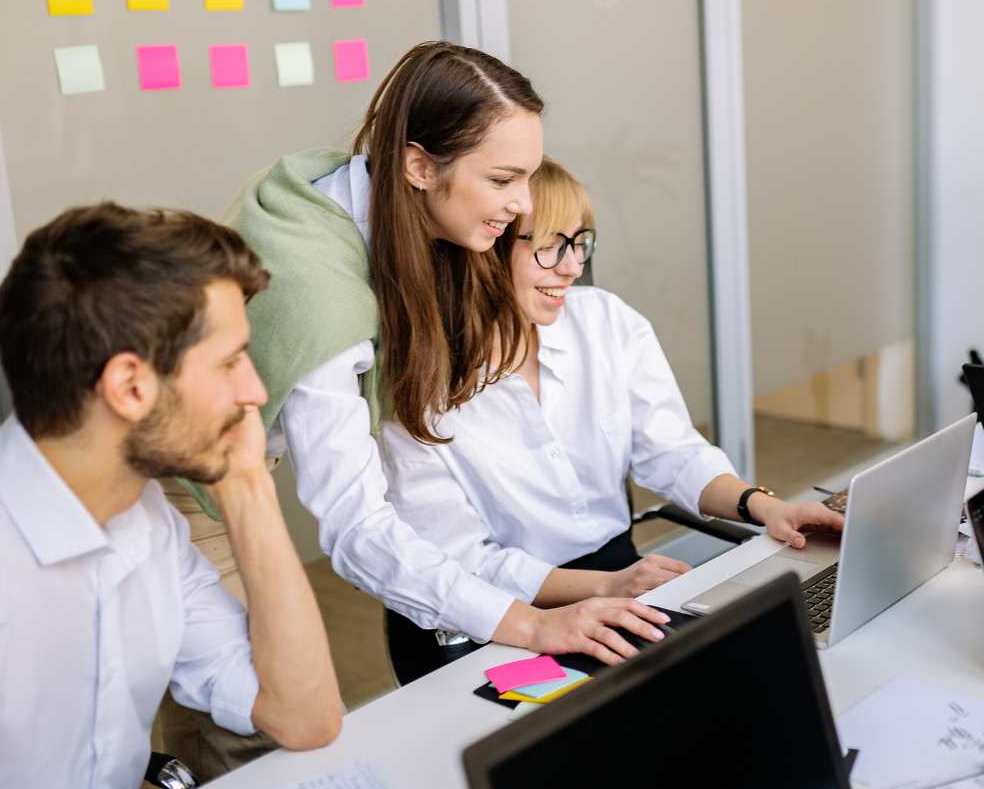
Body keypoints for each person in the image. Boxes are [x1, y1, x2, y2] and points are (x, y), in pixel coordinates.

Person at [172, 39, 672, 722]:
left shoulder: (352, 188)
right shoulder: (325, 299)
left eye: (527, 176)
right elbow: (355, 527)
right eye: (501, 181)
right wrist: (529, 625)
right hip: (182, 480)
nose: (523, 206)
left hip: (244, 454)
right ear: (416, 165)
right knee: (262, 721)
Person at [0, 204, 341, 789]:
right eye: (230, 363)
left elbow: (304, 716)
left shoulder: (147, 524)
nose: (255, 391)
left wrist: (247, 483)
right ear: (131, 385)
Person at [378, 157, 846, 680]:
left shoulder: (605, 321)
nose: (573, 267)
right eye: (550, 246)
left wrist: (763, 506)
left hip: (619, 572)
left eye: (580, 243)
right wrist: (602, 587)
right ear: (485, 252)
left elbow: (672, 451)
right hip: (497, 618)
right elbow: (463, 562)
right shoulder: (418, 388)